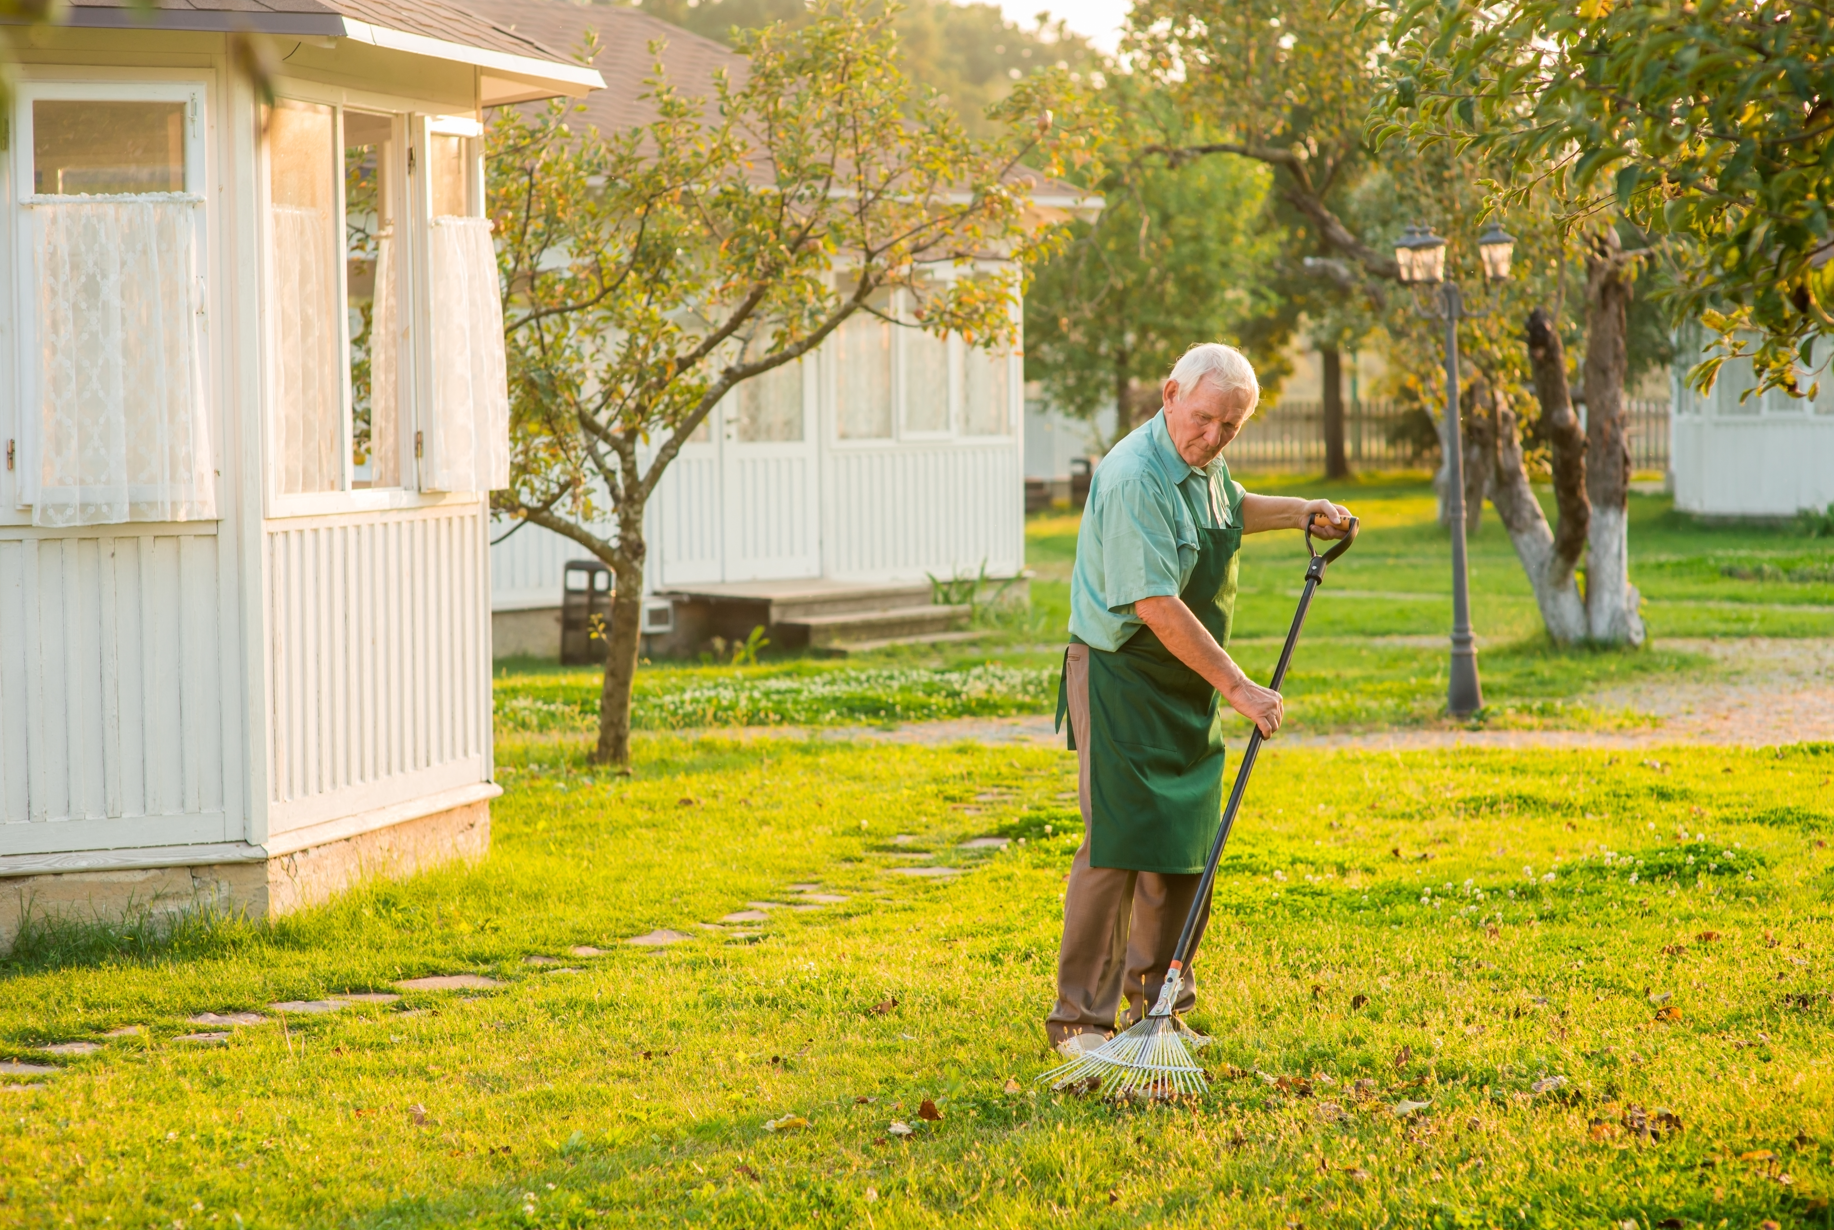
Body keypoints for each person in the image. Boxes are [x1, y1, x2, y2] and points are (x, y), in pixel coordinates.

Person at [1048, 342, 1352, 1056]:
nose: (1213, 439)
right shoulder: (1133, 478)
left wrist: (1301, 512)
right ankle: (1080, 1023)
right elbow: (1154, 602)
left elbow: (1230, 509)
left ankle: (1159, 1008)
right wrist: (1239, 687)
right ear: (1170, 393)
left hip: (1184, 677)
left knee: (1185, 842)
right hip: (1122, 670)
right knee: (1120, 846)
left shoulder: (1202, 464)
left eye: (1230, 429)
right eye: (1206, 419)